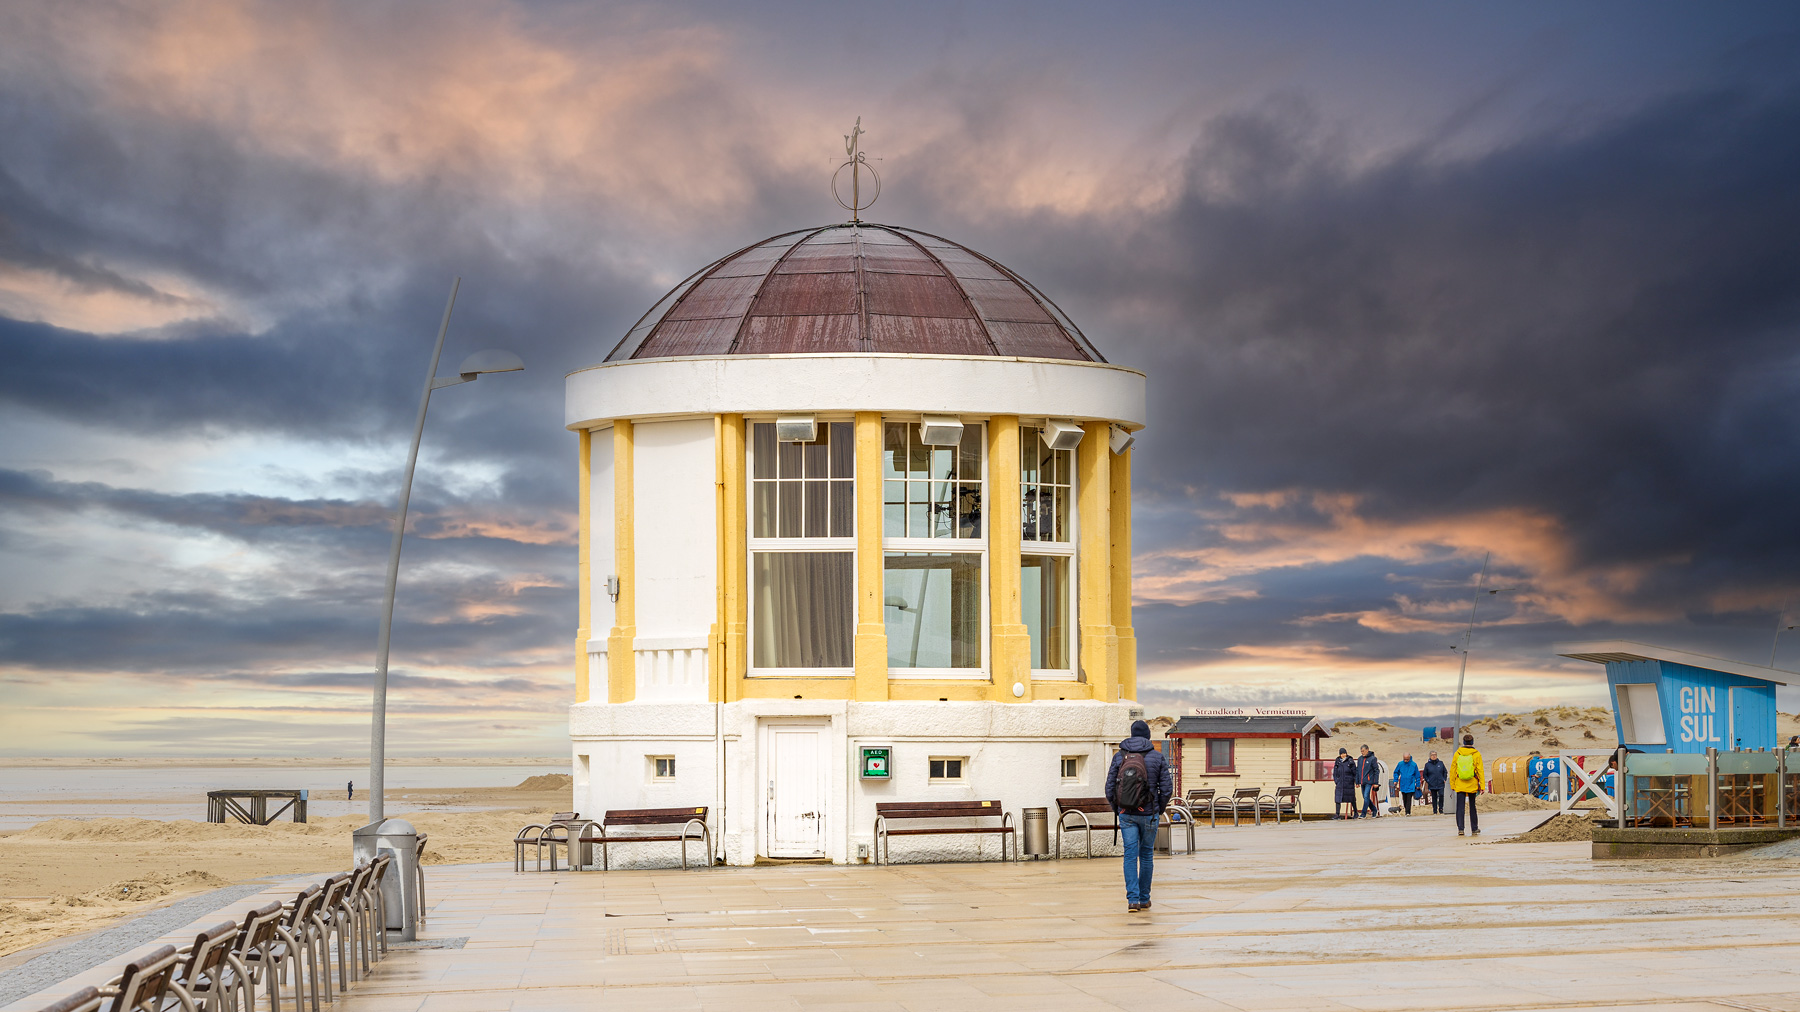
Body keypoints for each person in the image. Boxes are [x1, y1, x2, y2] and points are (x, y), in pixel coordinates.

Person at [1106, 719, 1172, 913]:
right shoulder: (1157, 757)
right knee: (1146, 855)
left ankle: (1132, 900)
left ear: (1132, 735)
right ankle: (1144, 898)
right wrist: (1158, 809)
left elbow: (1109, 787)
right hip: (1149, 813)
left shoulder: (1120, 757)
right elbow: (1167, 788)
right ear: (1148, 736)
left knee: (1129, 855)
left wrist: (1117, 808)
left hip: (1127, 814)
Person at [1450, 734, 1485, 836]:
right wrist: (1482, 786)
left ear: (1464, 742)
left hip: (1460, 784)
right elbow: (1480, 771)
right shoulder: (1476, 754)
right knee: (1472, 806)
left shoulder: (1457, 753)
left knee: (1460, 807)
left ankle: (1461, 829)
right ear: (1472, 742)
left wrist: (1452, 784)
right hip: (1472, 783)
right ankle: (1474, 828)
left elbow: (1453, 770)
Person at [1332, 747, 1358, 820]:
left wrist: (1355, 781)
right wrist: (1336, 781)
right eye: (1341, 754)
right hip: (1340, 783)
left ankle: (1356, 812)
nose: (1343, 755)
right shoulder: (1337, 762)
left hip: (1348, 783)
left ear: (1346, 753)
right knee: (1338, 799)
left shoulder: (1350, 761)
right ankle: (1337, 814)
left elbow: (1354, 772)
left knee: (1352, 798)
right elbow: (1335, 773)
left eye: (1344, 753)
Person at [1357, 745, 1381, 818]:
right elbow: (1358, 770)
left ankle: (1363, 813)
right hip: (1362, 781)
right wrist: (1357, 781)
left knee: (1366, 796)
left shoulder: (1372, 759)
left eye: (1363, 751)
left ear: (1367, 750)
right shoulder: (1360, 759)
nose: (1362, 753)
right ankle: (1374, 809)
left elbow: (1376, 771)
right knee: (1365, 797)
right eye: (1361, 751)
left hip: (1369, 781)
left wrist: (1375, 782)